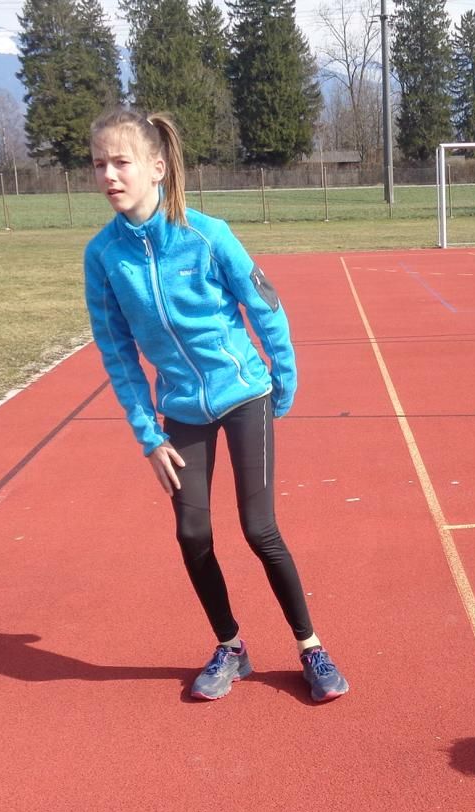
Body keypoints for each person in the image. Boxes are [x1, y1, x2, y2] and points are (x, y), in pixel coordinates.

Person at [82, 109, 349, 704]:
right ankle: (231, 647)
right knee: (192, 532)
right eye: (99, 164)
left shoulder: (207, 234)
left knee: (259, 529)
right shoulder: (103, 256)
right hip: (181, 408)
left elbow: (265, 304)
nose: (109, 175)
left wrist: (283, 378)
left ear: (156, 167)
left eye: (121, 162)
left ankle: (310, 646)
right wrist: (149, 435)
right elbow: (117, 352)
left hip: (244, 393)